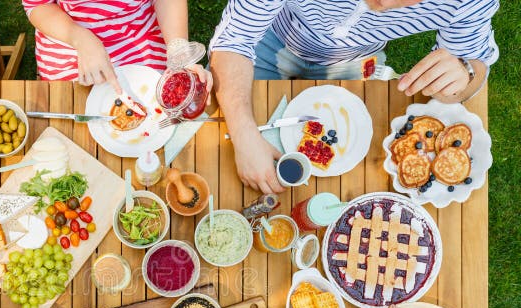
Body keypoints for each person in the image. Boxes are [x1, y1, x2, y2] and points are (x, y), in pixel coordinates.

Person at [208, 0, 499, 193]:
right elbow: (236, 39)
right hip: (271, 37)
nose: (383, 3)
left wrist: (465, 72)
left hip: (357, 59)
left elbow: (474, 66)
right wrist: (244, 136)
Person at [22, 0, 210, 92]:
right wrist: (81, 39)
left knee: (159, 103)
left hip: (138, 27)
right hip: (69, 31)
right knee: (72, 105)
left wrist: (178, 49)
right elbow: (39, 5)